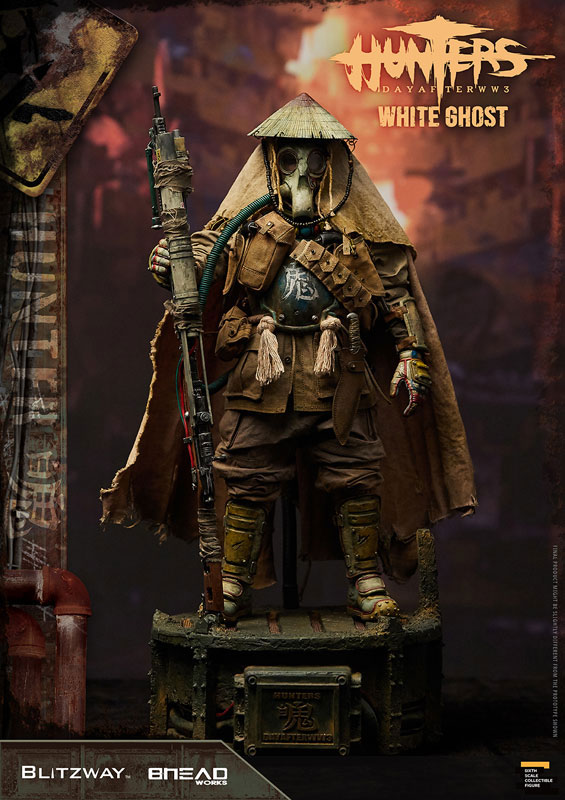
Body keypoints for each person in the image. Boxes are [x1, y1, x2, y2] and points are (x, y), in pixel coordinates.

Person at [102, 94, 476, 622]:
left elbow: (397, 297)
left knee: (356, 472)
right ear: (272, 161)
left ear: (334, 163)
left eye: (316, 157)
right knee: (248, 473)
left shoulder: (357, 232)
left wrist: (411, 354)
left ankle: (365, 580)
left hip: (338, 370)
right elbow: (203, 260)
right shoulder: (245, 225)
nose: (304, 170)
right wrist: (171, 259)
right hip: (264, 369)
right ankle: (234, 582)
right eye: (290, 156)